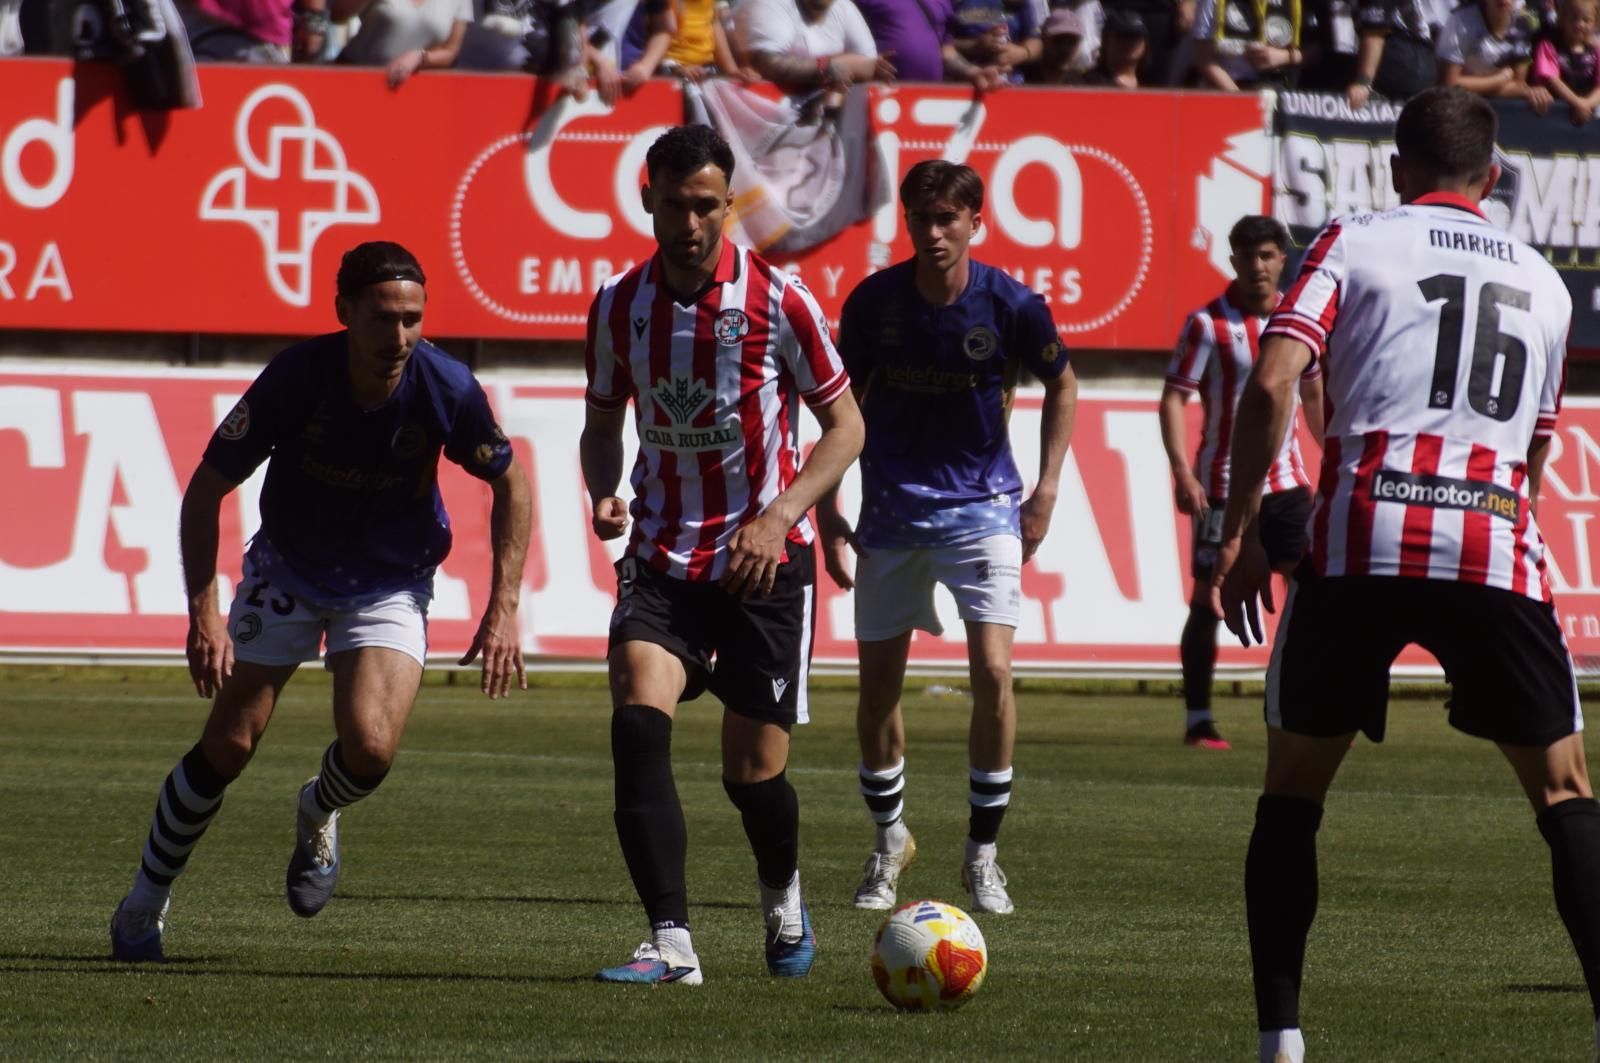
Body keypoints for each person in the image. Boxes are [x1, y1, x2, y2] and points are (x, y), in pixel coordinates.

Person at [1211, 87, 1587, 1063]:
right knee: (1562, 791)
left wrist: (1245, 526)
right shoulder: (1546, 286)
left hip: (1359, 534)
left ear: (1394, 169)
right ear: (1491, 178)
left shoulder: (1355, 236)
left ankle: (1280, 1042)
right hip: (1491, 541)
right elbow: (1534, 456)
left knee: (1292, 792)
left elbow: (1271, 378)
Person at [109, 241, 533, 963]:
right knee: (231, 743)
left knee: (369, 749)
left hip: (391, 578)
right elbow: (206, 489)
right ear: (344, 313)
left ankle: (319, 806)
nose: (399, 337)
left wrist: (505, 605)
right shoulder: (295, 378)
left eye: (412, 320)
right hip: (289, 568)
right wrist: (203, 608)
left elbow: (513, 483)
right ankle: (146, 901)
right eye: (382, 318)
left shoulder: (446, 386)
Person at [580, 124, 865, 985]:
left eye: (709, 206)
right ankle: (672, 943)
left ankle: (781, 893)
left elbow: (846, 427)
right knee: (637, 716)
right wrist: (602, 490)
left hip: (763, 566)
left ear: (728, 203)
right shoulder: (618, 305)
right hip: (663, 554)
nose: (694, 223)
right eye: (677, 205)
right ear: (648, 200)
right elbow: (602, 421)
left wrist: (778, 518)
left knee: (753, 776)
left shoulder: (783, 301)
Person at [819, 159, 1078, 917]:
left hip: (985, 510)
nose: (934, 233)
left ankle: (982, 854)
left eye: (947, 220)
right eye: (921, 220)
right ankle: (888, 840)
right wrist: (828, 508)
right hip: (892, 513)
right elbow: (837, 404)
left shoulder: (1013, 304)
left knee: (994, 673)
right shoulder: (873, 304)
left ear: (975, 222)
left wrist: (1047, 487)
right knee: (877, 695)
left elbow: (1062, 380)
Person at [1160, 215, 1323, 752]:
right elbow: (1174, 397)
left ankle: (1309, 713)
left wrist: (1337, 458)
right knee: (1208, 599)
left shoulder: (1301, 323)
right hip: (1222, 487)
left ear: (1282, 260)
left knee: (1315, 593)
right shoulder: (1208, 324)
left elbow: (1316, 398)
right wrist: (1183, 471)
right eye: (1247, 257)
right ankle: (1199, 720)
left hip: (1289, 486)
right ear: (1232, 261)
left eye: (1267, 256)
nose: (1257, 267)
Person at [333, 0, 470, 85]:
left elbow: (450, 51)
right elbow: (338, 15)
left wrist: (419, 57)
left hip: (411, 88)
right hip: (354, 78)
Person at [1434, 0, 1539, 98]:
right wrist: (1500, 79)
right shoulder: (1459, 22)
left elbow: (1518, 85)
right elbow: (1448, 84)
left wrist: (1475, 87)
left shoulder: (1524, 23)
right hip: (1462, 106)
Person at [1528, 0, 1600, 123]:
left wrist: (1588, 103)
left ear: (1595, 23)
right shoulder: (1549, 46)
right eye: (1574, 18)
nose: (1579, 24)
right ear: (1562, 18)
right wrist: (1577, 103)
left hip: (1587, 107)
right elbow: (1552, 79)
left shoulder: (1596, 50)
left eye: (1586, 20)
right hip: (1553, 113)